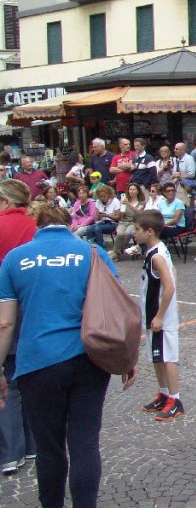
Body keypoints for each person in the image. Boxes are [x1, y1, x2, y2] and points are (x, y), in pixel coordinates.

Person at [0, 205, 135, 508]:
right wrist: (127, 357)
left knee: (49, 450)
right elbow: (117, 308)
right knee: (85, 443)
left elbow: (5, 323)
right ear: (69, 224)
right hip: (89, 359)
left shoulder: (15, 258)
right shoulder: (92, 253)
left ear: (37, 224)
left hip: (38, 362)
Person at [0, 180, 37, 477]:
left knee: (8, 380)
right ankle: (32, 445)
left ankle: (11, 452)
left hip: (6, 306)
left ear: (5, 201)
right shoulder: (36, 226)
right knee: (28, 377)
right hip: (35, 308)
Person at [134, 210, 184, 421]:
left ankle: (175, 400)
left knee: (168, 357)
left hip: (160, 317)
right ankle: (163, 394)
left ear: (149, 231)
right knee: (157, 356)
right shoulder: (156, 250)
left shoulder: (157, 257)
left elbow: (169, 286)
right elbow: (174, 273)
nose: (134, 233)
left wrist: (161, 315)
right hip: (153, 314)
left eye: (137, 229)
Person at [113, 182, 146, 260]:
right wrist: (122, 206)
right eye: (130, 189)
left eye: (134, 189)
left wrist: (128, 204)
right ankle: (116, 253)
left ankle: (119, 251)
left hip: (134, 222)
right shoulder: (125, 200)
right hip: (124, 221)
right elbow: (121, 216)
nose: (132, 191)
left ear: (138, 191)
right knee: (120, 234)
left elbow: (138, 212)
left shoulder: (141, 202)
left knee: (127, 233)